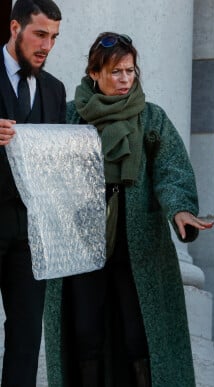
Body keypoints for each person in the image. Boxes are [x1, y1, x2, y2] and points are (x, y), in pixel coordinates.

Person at [43, 32, 214, 387]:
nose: (125, 80)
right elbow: (43, 168)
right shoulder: (69, 115)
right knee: (85, 333)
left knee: (140, 334)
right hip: (82, 243)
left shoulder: (151, 118)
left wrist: (179, 209)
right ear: (94, 73)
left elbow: (171, 171)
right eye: (115, 72)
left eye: (130, 71)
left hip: (137, 246)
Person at [0, 0, 64, 385]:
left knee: (25, 339)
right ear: (14, 27)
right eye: (40, 34)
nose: (47, 46)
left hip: (31, 234)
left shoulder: (54, 90)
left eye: (54, 38)